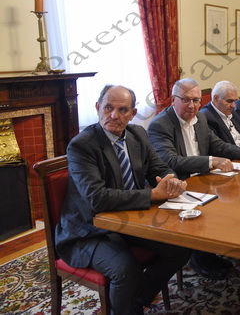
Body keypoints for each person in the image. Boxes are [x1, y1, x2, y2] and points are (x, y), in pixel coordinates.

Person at [55, 85, 191, 314]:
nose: (114, 115)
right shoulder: (82, 146)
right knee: (126, 270)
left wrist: (172, 181)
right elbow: (97, 198)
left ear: (133, 113)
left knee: (181, 248)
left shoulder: (137, 134)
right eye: (108, 107)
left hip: (129, 221)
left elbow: (158, 168)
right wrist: (152, 194)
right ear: (98, 107)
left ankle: (135, 302)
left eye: (122, 110)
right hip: (89, 231)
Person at [148, 78, 240, 279]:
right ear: (173, 100)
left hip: (202, 180)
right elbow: (171, 160)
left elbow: (217, 144)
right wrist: (211, 161)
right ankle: (198, 257)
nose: (192, 106)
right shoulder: (160, 125)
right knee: (215, 204)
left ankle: (212, 251)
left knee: (234, 198)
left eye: (196, 100)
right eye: (186, 100)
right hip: (178, 185)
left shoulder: (200, 118)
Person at [200, 81, 240, 152]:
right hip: (233, 157)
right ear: (216, 98)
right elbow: (219, 149)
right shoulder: (206, 117)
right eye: (229, 101)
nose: (234, 106)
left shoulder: (231, 111)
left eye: (235, 101)